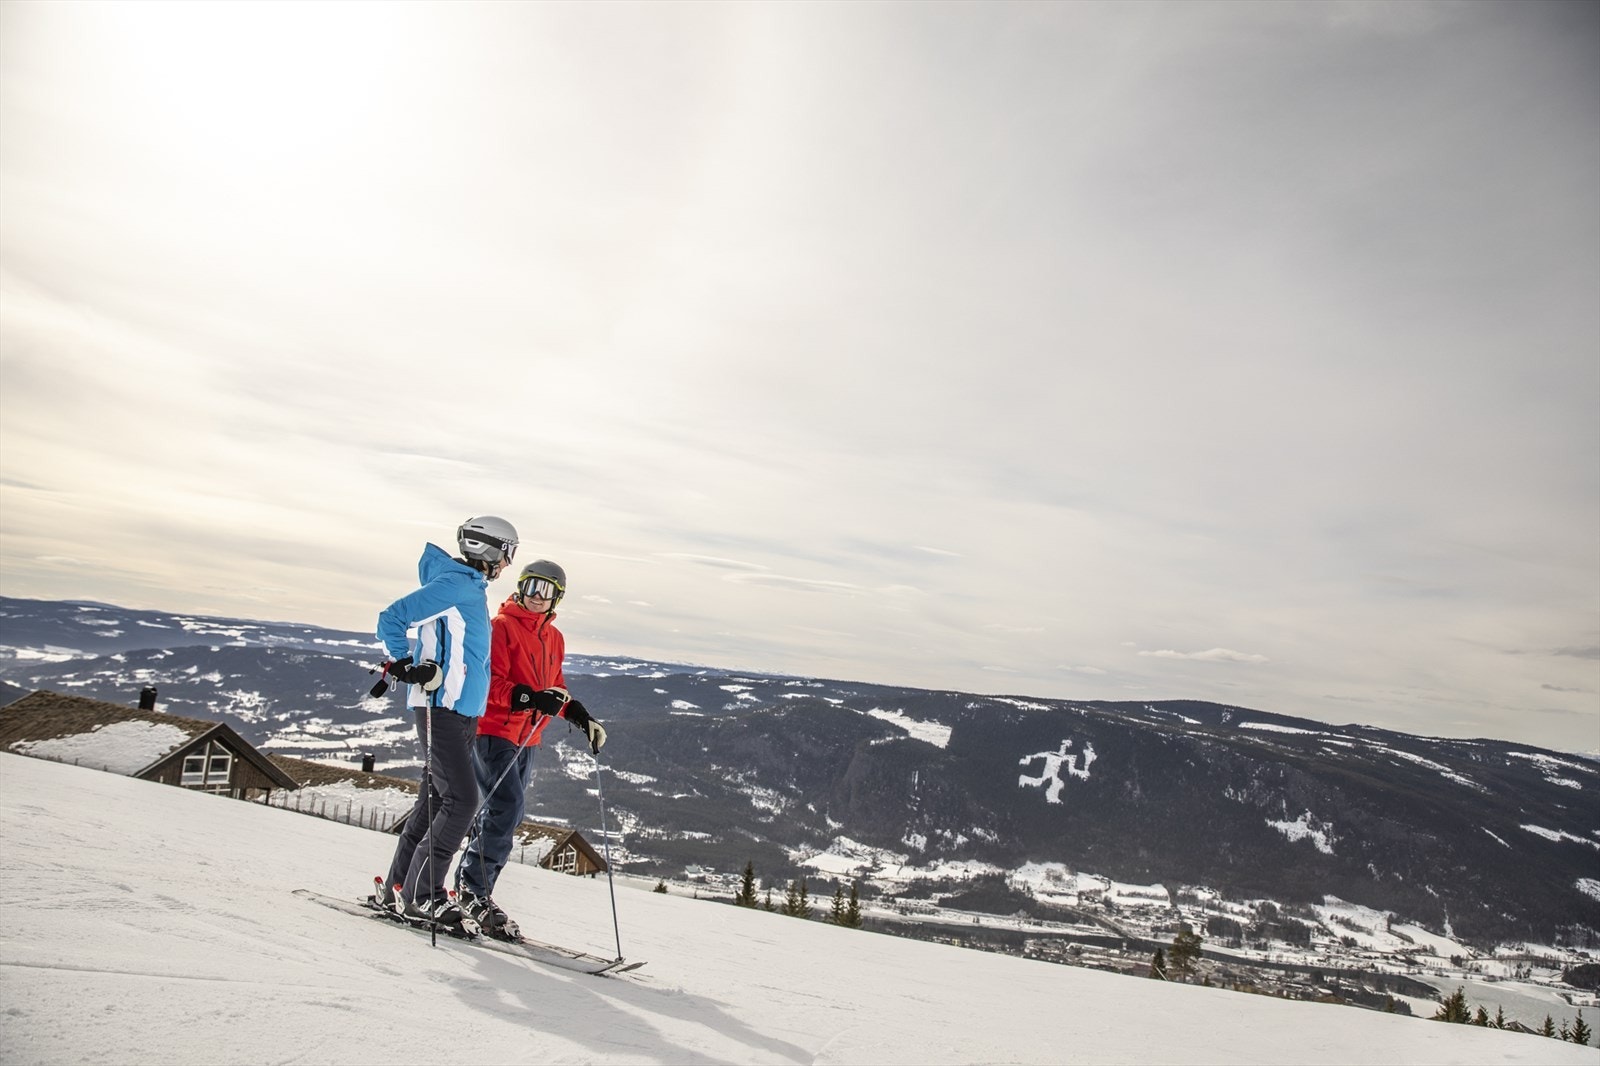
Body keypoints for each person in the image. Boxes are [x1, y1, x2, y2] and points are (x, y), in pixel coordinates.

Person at [371, 515, 518, 935]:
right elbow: (392, 618)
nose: (507, 563)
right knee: (463, 801)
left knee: (436, 801)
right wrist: (404, 663)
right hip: (442, 708)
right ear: (490, 550)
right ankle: (423, 895)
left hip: (460, 710)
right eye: (508, 553)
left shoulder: (467, 586)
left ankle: (399, 887)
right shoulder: (455, 585)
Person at [455, 558, 608, 941]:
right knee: (505, 808)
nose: (537, 596)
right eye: (531, 586)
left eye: (547, 590)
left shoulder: (554, 638)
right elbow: (489, 683)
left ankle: (474, 889)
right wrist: (530, 698)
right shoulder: (501, 627)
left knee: (506, 813)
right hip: (495, 731)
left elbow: (555, 687)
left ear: (558, 598)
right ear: (520, 587)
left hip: (529, 738)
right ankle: (472, 889)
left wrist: (580, 716)